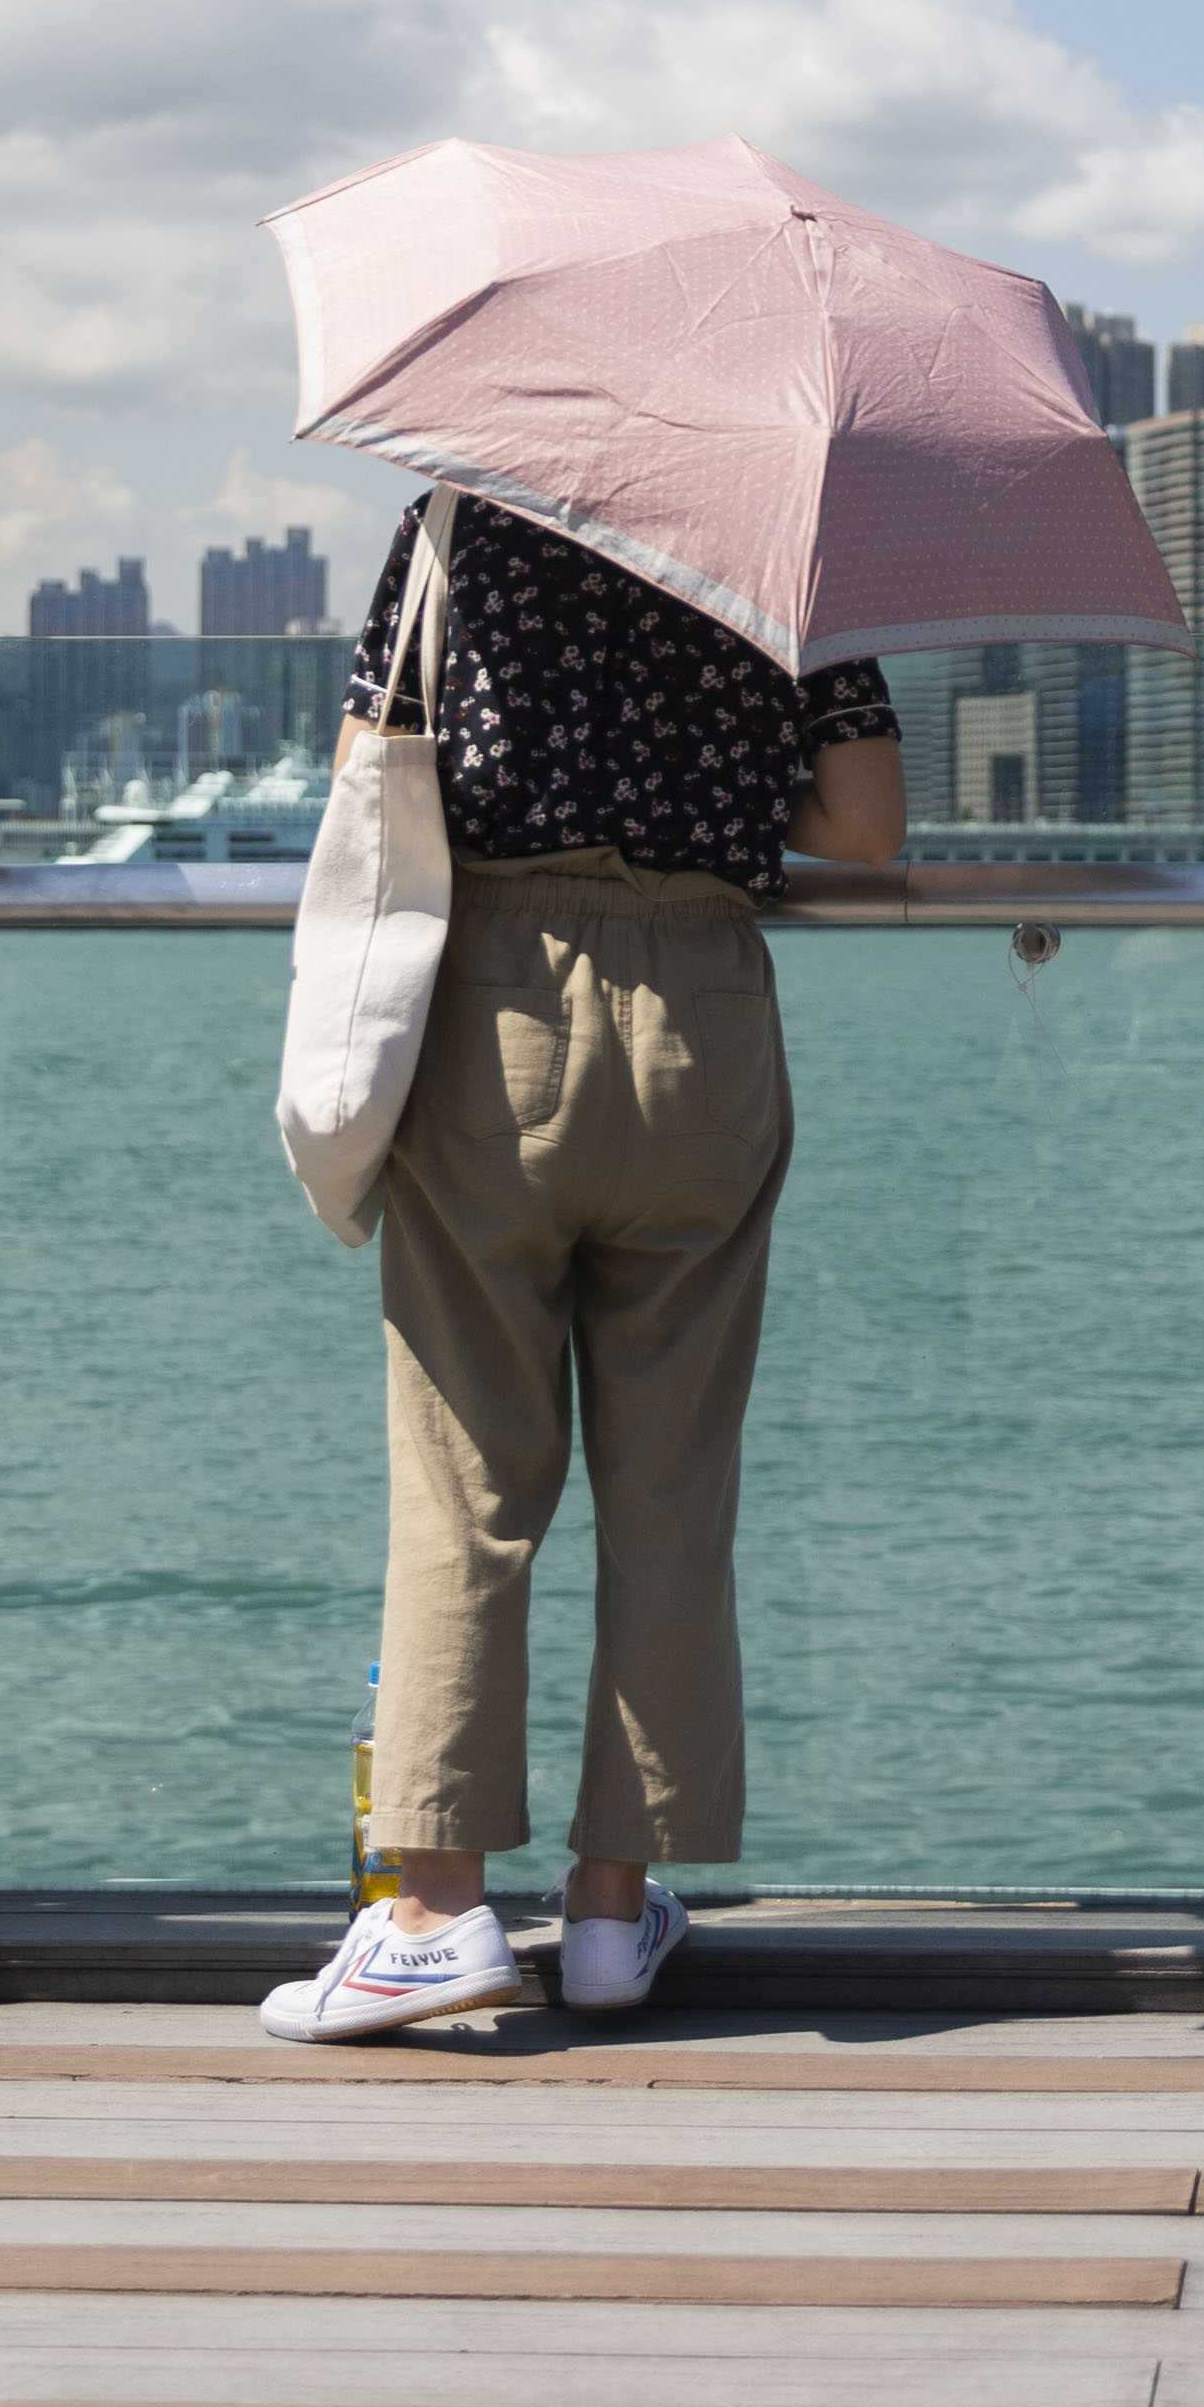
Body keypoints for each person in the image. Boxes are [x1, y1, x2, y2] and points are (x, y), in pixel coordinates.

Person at [258, 492, 903, 2041]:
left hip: (494, 1006)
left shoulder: (461, 516)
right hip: (706, 1011)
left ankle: (433, 1915)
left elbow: (368, 780)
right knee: (671, 1482)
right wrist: (720, 787)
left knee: (469, 1479)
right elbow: (864, 826)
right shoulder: (786, 530)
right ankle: (612, 1916)